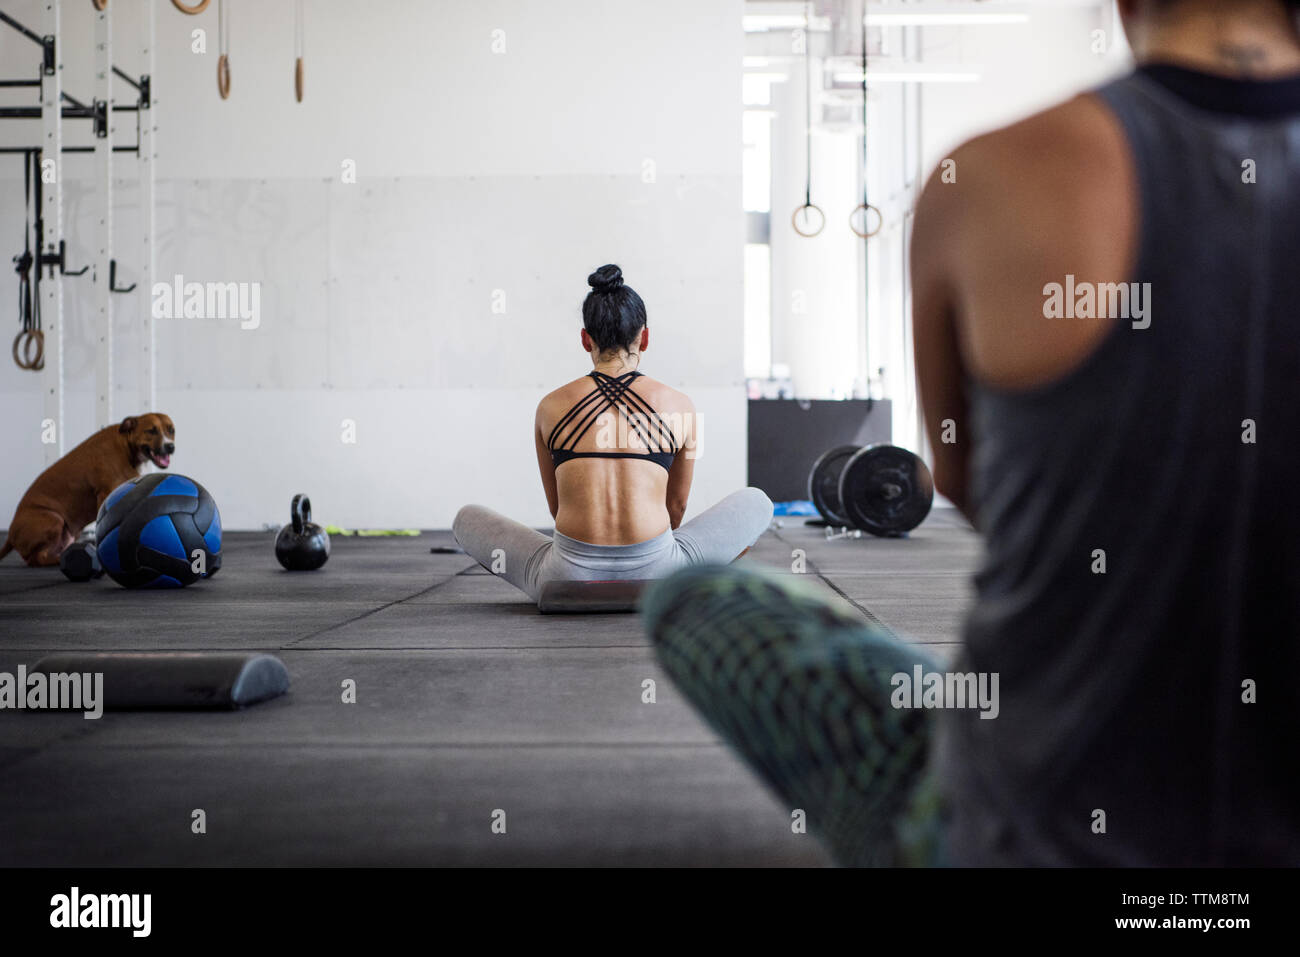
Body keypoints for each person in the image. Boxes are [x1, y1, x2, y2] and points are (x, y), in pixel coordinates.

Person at [644, 0, 1300, 866]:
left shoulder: (990, 172)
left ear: (1128, 3)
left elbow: (965, 482)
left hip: (1014, 833)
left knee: (693, 598)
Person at [453, 264, 773, 602]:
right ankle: (683, 583)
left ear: (585, 338)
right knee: (757, 502)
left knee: (466, 518)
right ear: (644, 338)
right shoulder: (681, 405)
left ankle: (582, 589)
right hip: (659, 573)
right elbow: (676, 509)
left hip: (564, 579)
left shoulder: (549, 406)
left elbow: (557, 507)